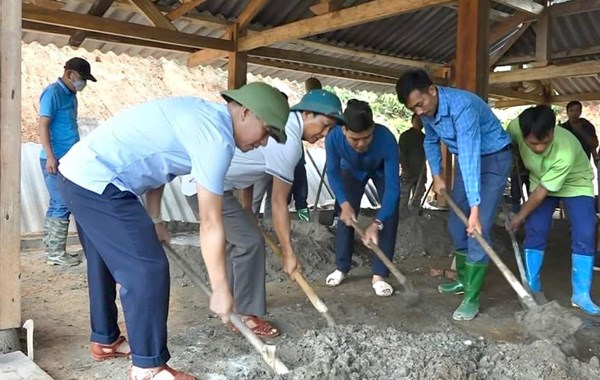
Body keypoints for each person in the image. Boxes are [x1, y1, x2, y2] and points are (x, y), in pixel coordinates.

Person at [56, 83, 289, 380]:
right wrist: (220, 289)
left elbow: (159, 164)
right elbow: (210, 221)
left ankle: (105, 338)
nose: (265, 142)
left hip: (78, 175)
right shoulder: (216, 138)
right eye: (267, 131)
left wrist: (154, 219)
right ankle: (149, 368)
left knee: (105, 260)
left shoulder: (203, 116)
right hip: (100, 181)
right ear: (246, 112)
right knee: (147, 269)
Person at [181, 89, 344, 337]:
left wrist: (247, 210)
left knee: (239, 241)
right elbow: (279, 202)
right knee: (249, 241)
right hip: (206, 186)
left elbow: (249, 165)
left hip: (211, 184)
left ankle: (231, 304)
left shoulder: (280, 123)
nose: (324, 134)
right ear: (308, 113)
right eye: (324, 125)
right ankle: (245, 314)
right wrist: (288, 254)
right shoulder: (287, 140)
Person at [396, 69, 512, 321]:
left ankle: (471, 297)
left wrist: (476, 210)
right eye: (412, 108)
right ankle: (462, 278)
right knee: (455, 222)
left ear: (432, 90)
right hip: (469, 161)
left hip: (493, 160)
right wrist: (436, 174)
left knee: (477, 229)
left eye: (420, 104)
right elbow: (430, 141)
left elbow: (470, 157)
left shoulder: (463, 108)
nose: (419, 112)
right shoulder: (428, 111)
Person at [507, 105, 600, 316]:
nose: (539, 148)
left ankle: (581, 294)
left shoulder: (565, 147)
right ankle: (532, 285)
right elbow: (506, 141)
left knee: (585, 232)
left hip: (575, 183)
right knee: (536, 230)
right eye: (532, 143)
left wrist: (519, 217)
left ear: (553, 131)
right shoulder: (516, 127)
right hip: (539, 179)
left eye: (544, 142)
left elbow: (541, 193)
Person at [325, 99, 400, 297]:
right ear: (344, 131)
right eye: (354, 139)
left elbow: (393, 189)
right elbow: (332, 172)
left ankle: (379, 275)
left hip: (381, 170)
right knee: (346, 215)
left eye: (366, 137)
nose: (361, 144)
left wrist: (377, 222)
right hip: (351, 169)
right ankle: (342, 267)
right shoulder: (333, 137)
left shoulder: (386, 139)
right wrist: (344, 202)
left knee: (389, 215)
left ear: (373, 129)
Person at [38, 57, 96, 266]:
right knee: (60, 203)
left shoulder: (70, 94)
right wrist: (50, 156)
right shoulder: (52, 93)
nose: (84, 84)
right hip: (55, 158)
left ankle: (55, 251)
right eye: (82, 79)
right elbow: (43, 124)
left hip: (69, 158)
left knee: (63, 202)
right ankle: (54, 254)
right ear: (70, 74)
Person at [398, 113, 427, 212]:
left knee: (419, 193)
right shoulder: (406, 136)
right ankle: (401, 214)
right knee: (404, 194)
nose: (419, 122)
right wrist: (405, 168)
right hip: (408, 170)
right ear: (412, 121)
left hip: (420, 171)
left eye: (421, 120)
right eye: (417, 120)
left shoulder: (425, 138)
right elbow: (401, 153)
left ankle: (414, 213)